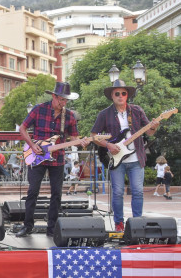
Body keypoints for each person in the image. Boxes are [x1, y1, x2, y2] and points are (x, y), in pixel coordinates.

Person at [17, 82, 89, 237]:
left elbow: (74, 137)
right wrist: (32, 144)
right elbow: (22, 128)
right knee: (32, 191)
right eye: (61, 100)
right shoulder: (39, 109)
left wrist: (81, 141)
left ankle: (52, 228)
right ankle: (27, 226)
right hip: (37, 156)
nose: (63, 103)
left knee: (57, 194)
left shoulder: (69, 115)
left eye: (66, 101)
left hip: (58, 158)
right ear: (54, 96)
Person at [91, 79, 159, 232]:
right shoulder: (104, 114)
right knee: (117, 193)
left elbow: (148, 131)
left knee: (138, 191)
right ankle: (119, 224)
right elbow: (94, 135)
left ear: (127, 95)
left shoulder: (137, 110)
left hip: (136, 159)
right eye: (117, 93)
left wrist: (154, 127)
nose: (120, 96)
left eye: (123, 93)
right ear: (112, 96)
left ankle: (137, 223)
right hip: (117, 160)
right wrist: (108, 145)